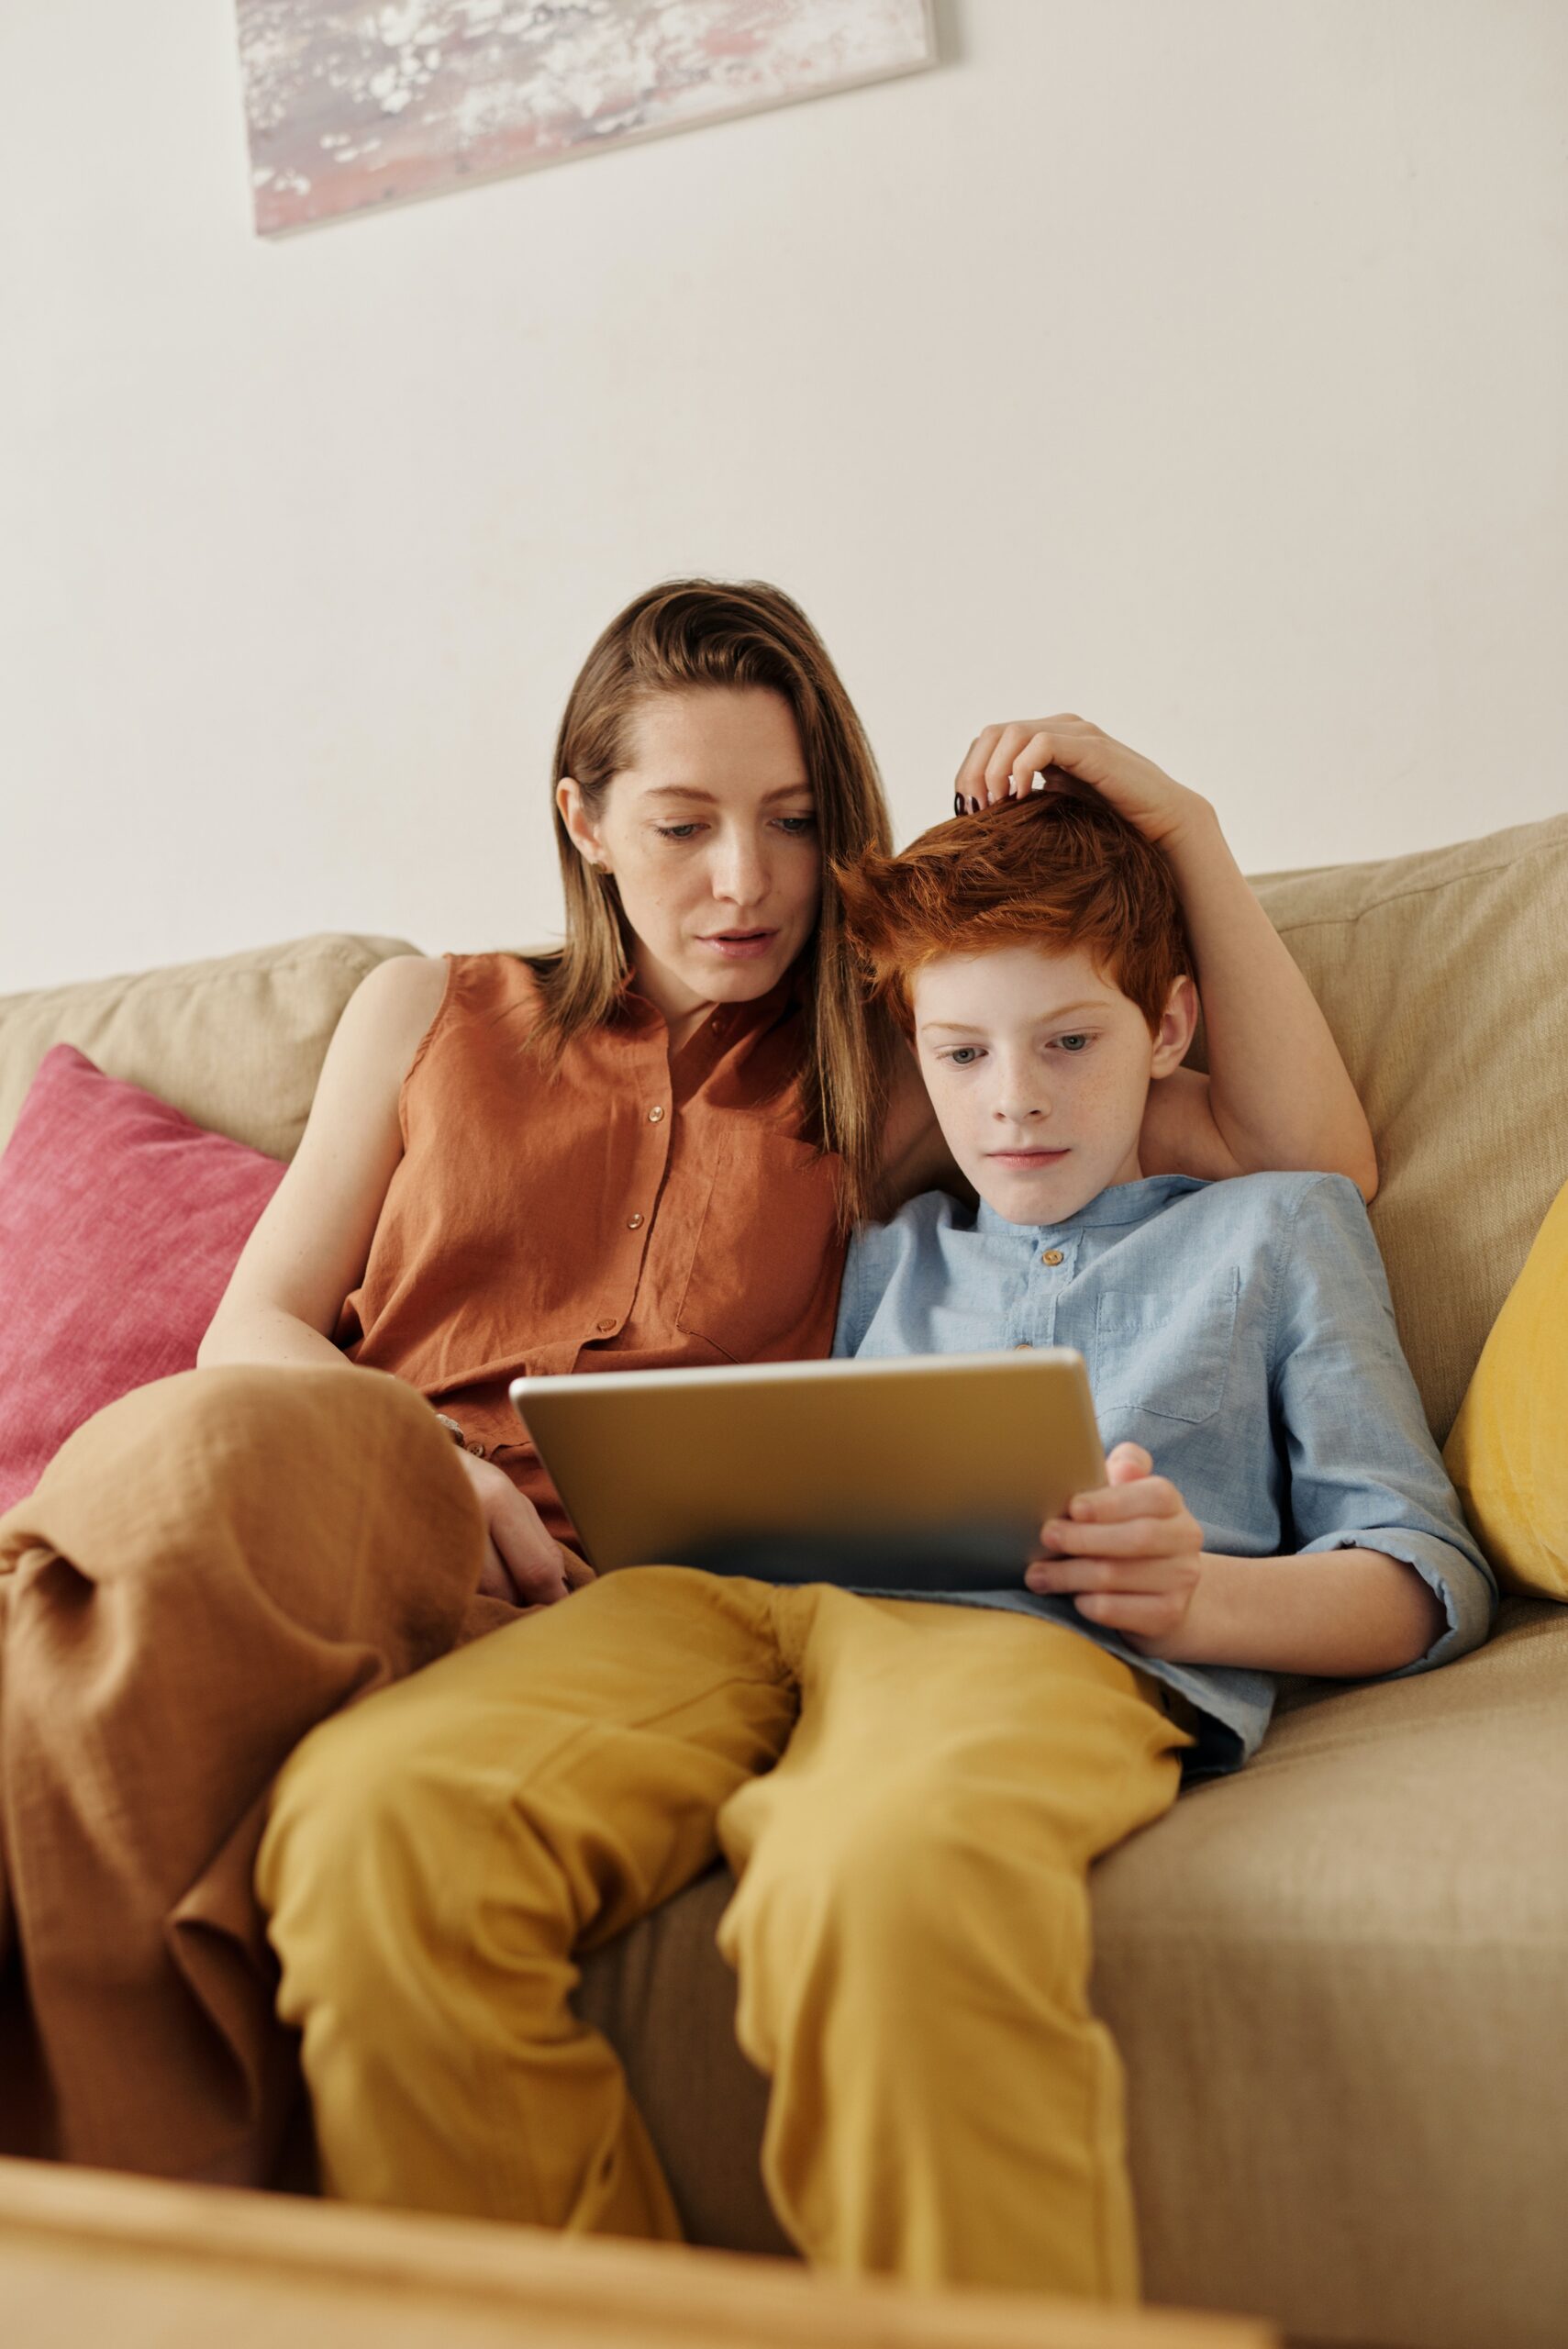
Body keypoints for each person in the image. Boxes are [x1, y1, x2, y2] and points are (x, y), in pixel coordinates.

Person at [0, 579, 1374, 2192]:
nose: (744, 883)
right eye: (680, 824)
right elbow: (258, 1330)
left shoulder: (898, 1061)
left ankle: (113, 2234)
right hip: (357, 1485)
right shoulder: (426, 1010)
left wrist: (1185, 825)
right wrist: (423, 1463)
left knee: (129, 1685)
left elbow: (1299, 1162)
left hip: (610, 1600)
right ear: (580, 821)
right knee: (195, 1467)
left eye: (793, 823)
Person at [253, 784, 1489, 2302]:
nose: (1013, 1102)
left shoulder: (1276, 1226)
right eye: (960, 1055)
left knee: (869, 1872)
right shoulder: (887, 1235)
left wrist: (1202, 1596)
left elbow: (1418, 1569)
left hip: (1035, 1636)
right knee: (368, 1814)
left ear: (1168, 1029)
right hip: (734, 1600)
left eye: (1069, 1044)